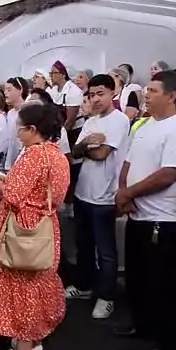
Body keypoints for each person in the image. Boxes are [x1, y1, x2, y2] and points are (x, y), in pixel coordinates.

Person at [0, 102, 70, 350]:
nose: (17, 133)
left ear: (33, 129)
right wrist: (9, 181)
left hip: (22, 230)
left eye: (20, 128)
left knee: (22, 288)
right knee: (36, 285)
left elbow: (14, 196)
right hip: (44, 228)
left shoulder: (33, 155)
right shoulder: (56, 154)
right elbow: (48, 194)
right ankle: (34, 345)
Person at [115, 70, 176, 350]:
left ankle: (166, 341)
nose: (146, 95)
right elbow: (128, 163)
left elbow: (168, 174)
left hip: (165, 219)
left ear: (171, 96)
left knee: (163, 284)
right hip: (138, 215)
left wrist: (129, 193)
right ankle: (142, 325)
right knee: (137, 278)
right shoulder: (145, 124)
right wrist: (123, 191)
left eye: (152, 91)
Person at [66, 74, 130, 318]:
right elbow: (75, 151)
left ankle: (107, 296)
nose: (95, 99)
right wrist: (86, 145)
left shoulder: (119, 120)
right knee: (83, 245)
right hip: (83, 192)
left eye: (100, 94)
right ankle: (84, 285)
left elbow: (103, 153)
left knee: (105, 251)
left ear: (113, 93)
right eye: (91, 95)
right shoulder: (91, 121)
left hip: (105, 196)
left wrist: (88, 147)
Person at [49, 61, 83, 144]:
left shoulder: (73, 91)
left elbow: (70, 121)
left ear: (63, 75)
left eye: (54, 73)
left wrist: (59, 138)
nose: (51, 75)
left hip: (74, 133)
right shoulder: (54, 90)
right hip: (60, 130)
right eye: (50, 73)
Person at [4, 77, 29, 170]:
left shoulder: (27, 112)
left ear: (20, 90)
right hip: (10, 159)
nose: (5, 93)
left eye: (9, 90)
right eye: (5, 90)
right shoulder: (10, 113)